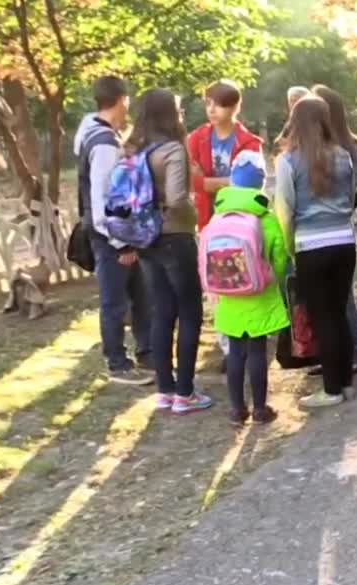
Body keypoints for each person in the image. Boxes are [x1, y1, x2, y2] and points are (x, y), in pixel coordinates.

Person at [125, 89, 209, 414]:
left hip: (145, 240)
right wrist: (191, 216)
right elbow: (176, 198)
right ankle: (185, 392)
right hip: (175, 236)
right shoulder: (173, 148)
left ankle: (165, 390)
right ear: (168, 114)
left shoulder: (131, 149)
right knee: (190, 312)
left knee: (162, 312)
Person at [274, 96, 357, 409]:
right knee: (338, 313)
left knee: (322, 318)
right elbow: (350, 200)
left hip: (311, 246)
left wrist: (290, 249)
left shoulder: (287, 161)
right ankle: (346, 384)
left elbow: (284, 209)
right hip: (344, 242)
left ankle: (331, 389)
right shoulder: (342, 156)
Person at [74, 76, 153, 386]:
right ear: (122, 100)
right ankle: (118, 363)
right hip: (111, 237)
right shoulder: (105, 144)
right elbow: (104, 198)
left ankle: (147, 353)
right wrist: (121, 244)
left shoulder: (94, 133)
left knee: (140, 295)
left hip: (116, 234)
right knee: (115, 301)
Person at [210, 151, 289, 425]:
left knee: (235, 351)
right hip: (259, 294)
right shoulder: (265, 220)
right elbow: (279, 256)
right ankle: (259, 409)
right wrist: (272, 280)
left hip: (229, 297)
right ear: (260, 185)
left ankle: (236, 409)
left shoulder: (218, 218)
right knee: (256, 351)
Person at [312, 84, 357, 376]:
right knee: (322, 300)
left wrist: (344, 202)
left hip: (338, 233)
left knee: (342, 297)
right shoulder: (313, 146)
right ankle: (328, 354)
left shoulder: (346, 145)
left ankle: (352, 356)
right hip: (312, 235)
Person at [186, 81, 262, 231]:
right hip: (205, 222)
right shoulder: (196, 138)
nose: (212, 110)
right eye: (208, 104)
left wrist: (204, 182)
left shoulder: (249, 143)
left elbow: (248, 186)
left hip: (240, 221)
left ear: (235, 107)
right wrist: (229, 182)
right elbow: (188, 181)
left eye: (219, 104)